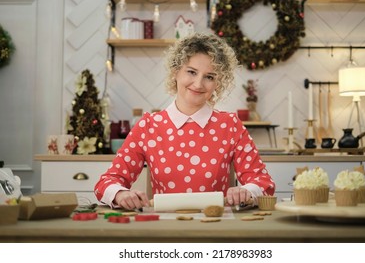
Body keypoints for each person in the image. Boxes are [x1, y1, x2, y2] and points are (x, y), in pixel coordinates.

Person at [94, 32, 275, 210]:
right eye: (191, 72)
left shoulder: (230, 125)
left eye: (209, 77)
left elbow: (263, 183)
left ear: (218, 83)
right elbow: (107, 182)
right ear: (176, 72)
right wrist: (120, 194)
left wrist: (246, 191)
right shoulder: (149, 126)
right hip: (165, 230)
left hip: (216, 227)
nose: (198, 84)